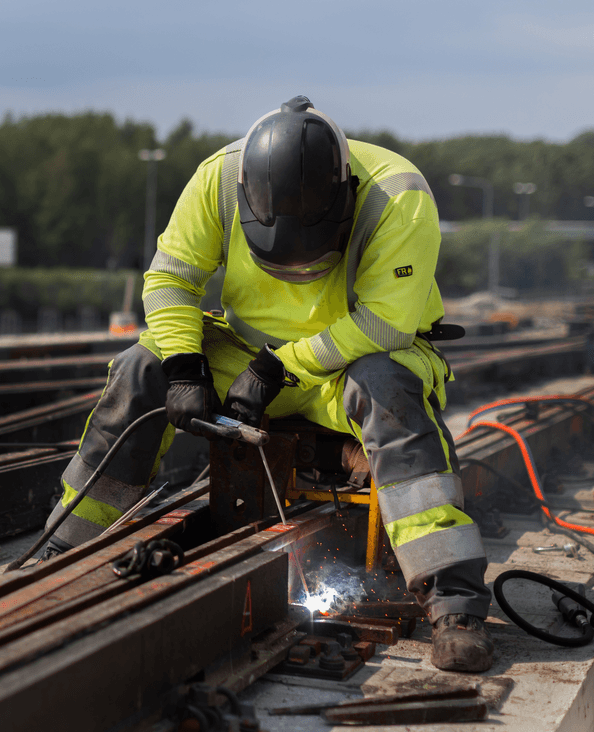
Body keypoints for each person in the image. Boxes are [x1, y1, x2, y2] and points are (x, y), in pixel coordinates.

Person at [43, 96, 493, 672]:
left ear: (345, 198)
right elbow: (170, 281)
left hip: (350, 363)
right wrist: (184, 366)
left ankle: (454, 601)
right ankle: (67, 545)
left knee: (389, 391)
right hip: (249, 362)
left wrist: (281, 369)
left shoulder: (398, 196)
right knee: (140, 367)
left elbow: (383, 323)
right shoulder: (218, 180)